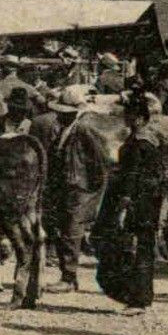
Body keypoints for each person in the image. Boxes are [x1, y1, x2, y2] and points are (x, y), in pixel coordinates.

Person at [94, 92, 167, 313]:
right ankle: (138, 296)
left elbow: (133, 176)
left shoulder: (140, 144)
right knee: (138, 249)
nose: (131, 120)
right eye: (129, 116)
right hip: (145, 202)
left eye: (135, 117)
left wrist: (124, 203)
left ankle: (138, 298)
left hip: (137, 203)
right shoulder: (146, 140)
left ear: (143, 119)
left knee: (136, 251)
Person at [47, 88, 110, 292]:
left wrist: (93, 186)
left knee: (72, 230)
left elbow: (99, 160)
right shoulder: (67, 129)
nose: (59, 115)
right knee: (65, 229)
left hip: (80, 186)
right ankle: (67, 275)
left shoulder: (83, 129)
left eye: (63, 112)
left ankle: (68, 276)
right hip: (68, 184)